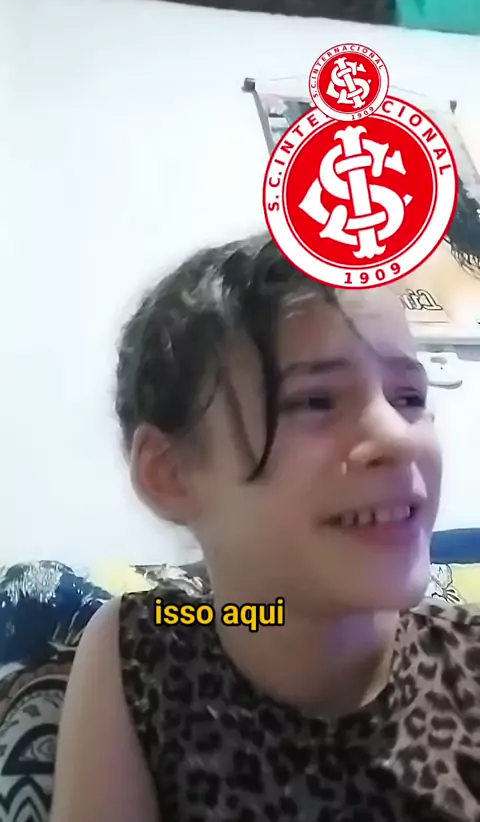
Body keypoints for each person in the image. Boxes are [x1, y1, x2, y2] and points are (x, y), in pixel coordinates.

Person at [51, 235, 480, 822]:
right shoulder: (149, 644)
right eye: (316, 400)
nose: (398, 436)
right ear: (170, 474)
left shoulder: (468, 659)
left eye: (409, 396)